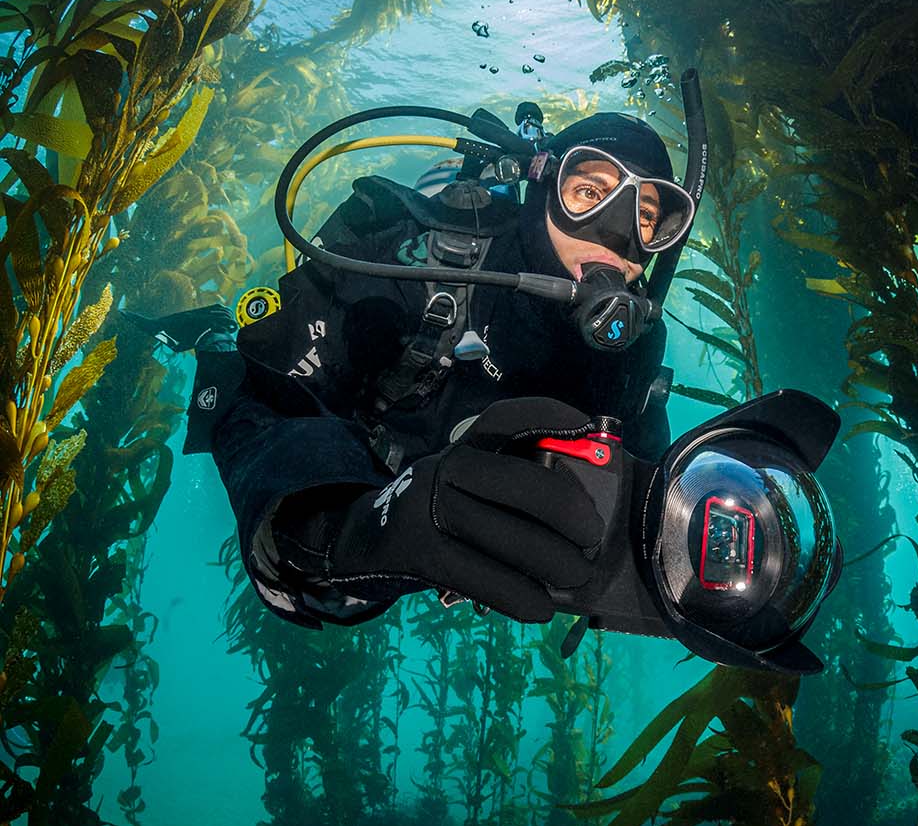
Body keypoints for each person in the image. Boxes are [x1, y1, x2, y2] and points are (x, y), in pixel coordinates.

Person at [176, 111, 692, 631]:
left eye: (647, 216)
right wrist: (334, 527)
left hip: (451, 519)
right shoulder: (413, 265)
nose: (619, 233)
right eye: (589, 192)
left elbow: (650, 488)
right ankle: (210, 330)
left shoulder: (633, 347)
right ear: (542, 187)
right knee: (231, 351)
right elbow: (253, 398)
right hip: (367, 460)